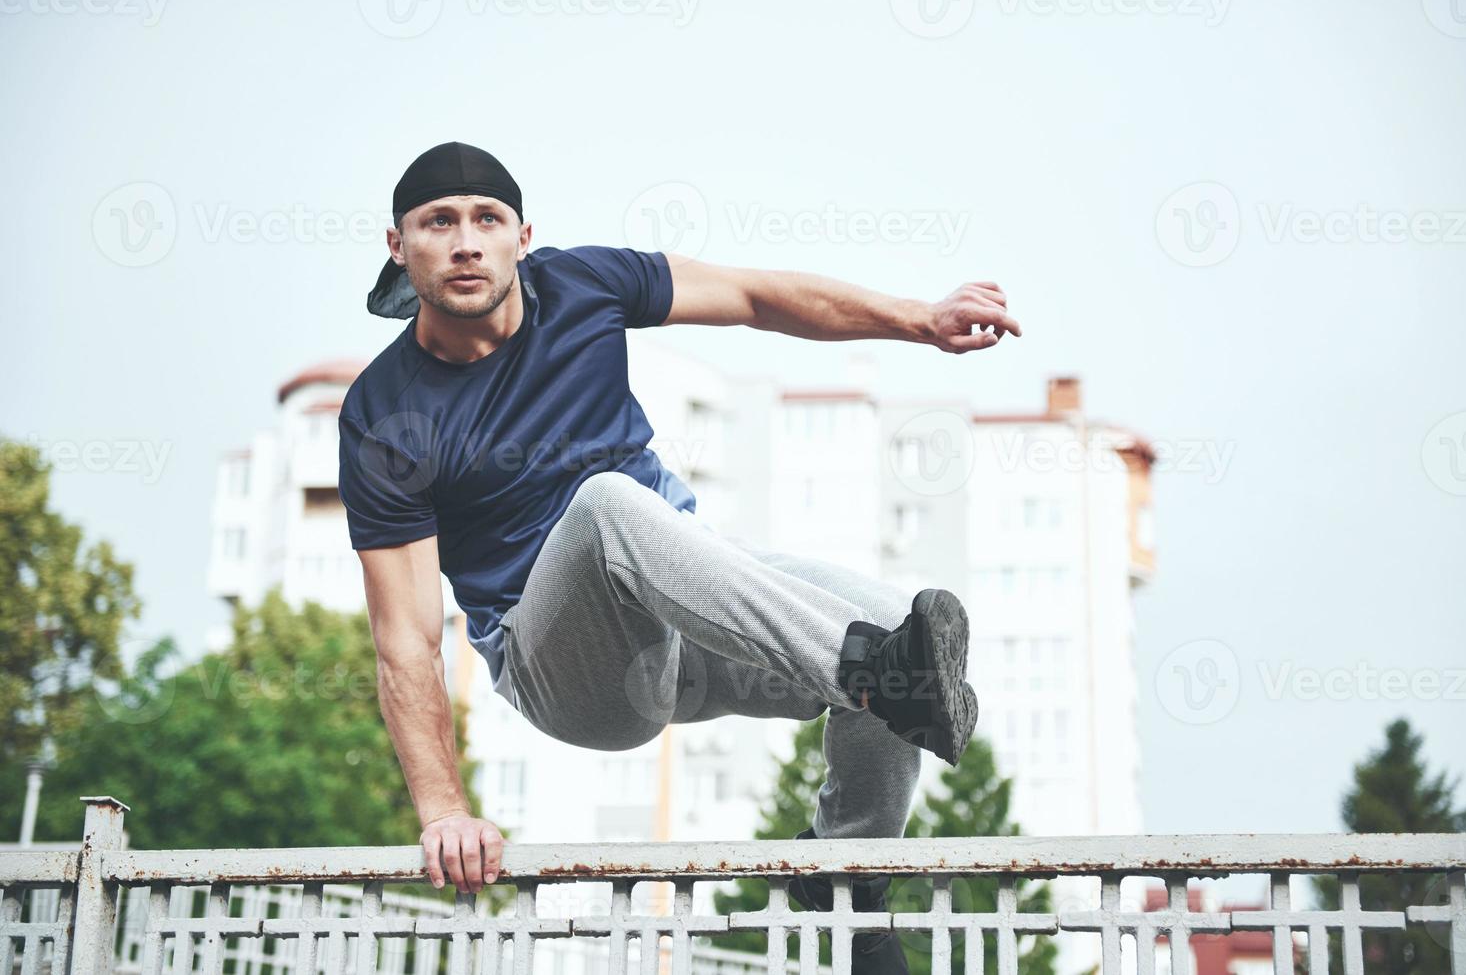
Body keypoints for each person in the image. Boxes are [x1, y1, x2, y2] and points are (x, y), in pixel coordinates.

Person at [339, 141, 1021, 973]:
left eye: (487, 220)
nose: (465, 241)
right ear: (398, 247)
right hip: (567, 671)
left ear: (523, 236)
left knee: (887, 617)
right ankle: (870, 671)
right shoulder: (385, 413)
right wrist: (443, 808)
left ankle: (847, 881)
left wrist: (916, 318)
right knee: (608, 502)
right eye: (436, 223)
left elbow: (753, 295)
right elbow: (407, 637)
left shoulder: (584, 282)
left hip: (687, 623)